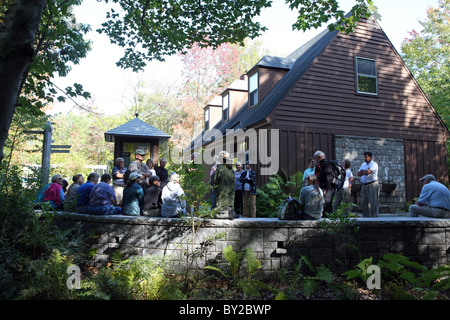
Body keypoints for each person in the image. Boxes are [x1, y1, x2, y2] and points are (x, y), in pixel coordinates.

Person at [357, 151, 380, 217]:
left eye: (366, 157)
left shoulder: (374, 164)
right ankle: (365, 216)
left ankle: (374, 216)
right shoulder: (363, 164)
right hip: (364, 185)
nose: (364, 159)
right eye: (364, 157)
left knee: (373, 201)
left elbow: (368, 172)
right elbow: (358, 173)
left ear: (370, 157)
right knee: (364, 201)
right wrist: (365, 171)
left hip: (372, 184)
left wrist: (364, 172)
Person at [313, 150, 335, 216]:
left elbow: (328, 177)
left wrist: (324, 188)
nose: (315, 160)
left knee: (326, 205)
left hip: (328, 189)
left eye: (315, 158)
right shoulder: (320, 165)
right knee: (325, 204)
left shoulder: (326, 164)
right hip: (327, 188)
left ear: (319, 157)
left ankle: (326, 220)